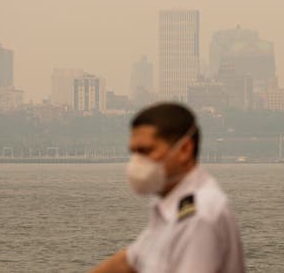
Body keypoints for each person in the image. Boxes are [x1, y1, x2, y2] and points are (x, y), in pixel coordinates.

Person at [90, 103, 245, 273]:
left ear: (185, 150)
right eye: (134, 152)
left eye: (145, 151)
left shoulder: (198, 217)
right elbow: (129, 261)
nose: (137, 162)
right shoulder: (172, 207)